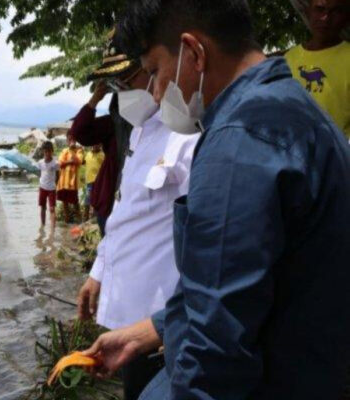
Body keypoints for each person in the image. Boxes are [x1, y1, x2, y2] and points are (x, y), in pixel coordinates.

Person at [83, 1, 350, 399]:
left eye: (155, 71)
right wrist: (154, 329)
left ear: (194, 52)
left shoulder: (239, 143)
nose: (155, 93)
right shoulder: (288, 109)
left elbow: (215, 350)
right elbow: (245, 279)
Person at [76, 52, 199, 400]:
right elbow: (123, 212)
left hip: (159, 319)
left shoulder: (186, 134)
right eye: (113, 85)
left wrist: (170, 322)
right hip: (127, 311)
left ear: (153, 72)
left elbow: (202, 236)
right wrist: (98, 271)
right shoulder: (139, 132)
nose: (120, 94)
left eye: (125, 82)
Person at [71, 33, 139, 236]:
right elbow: (80, 132)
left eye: (127, 77)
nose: (123, 84)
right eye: (118, 81)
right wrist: (94, 99)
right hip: (109, 203)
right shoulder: (114, 122)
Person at [285, 0, 350, 138]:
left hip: (336, 154)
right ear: (308, 13)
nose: (325, 18)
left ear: (346, 18)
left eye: (336, 11)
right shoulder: (289, 58)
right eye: (320, 9)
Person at [56, 136, 84, 224]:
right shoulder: (64, 151)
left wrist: (72, 153)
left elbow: (78, 161)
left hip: (73, 182)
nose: (72, 141)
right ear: (67, 141)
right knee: (65, 203)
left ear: (75, 141)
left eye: (73, 140)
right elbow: (60, 163)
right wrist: (70, 162)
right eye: (70, 140)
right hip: (63, 182)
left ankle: (80, 221)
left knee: (75, 202)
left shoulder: (79, 150)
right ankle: (67, 221)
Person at [37, 141, 58, 228]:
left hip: (51, 189)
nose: (47, 153)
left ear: (52, 151)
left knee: (52, 209)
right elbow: (40, 174)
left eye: (49, 151)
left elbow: (58, 175)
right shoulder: (40, 162)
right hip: (42, 187)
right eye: (45, 151)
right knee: (43, 207)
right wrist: (40, 185)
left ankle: (53, 229)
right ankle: (42, 226)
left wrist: (55, 184)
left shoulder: (55, 163)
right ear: (43, 152)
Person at [82, 144, 104, 221]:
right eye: (93, 144)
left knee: (95, 202)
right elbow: (83, 162)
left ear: (100, 145)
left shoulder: (102, 155)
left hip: (98, 182)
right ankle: (86, 219)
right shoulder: (88, 154)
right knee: (87, 201)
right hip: (89, 182)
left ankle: (93, 219)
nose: (95, 145)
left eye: (97, 144)